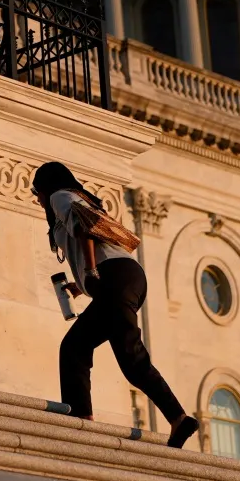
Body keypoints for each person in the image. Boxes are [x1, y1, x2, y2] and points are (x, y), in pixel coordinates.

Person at [32, 160, 198, 448]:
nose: (37, 197)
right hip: (128, 278)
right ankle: (177, 419)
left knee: (87, 351)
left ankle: (82, 418)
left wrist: (91, 273)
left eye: (37, 190)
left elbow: (85, 228)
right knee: (91, 349)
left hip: (114, 278)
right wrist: (82, 286)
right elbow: (100, 244)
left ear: (47, 185)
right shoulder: (78, 197)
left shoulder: (60, 196)